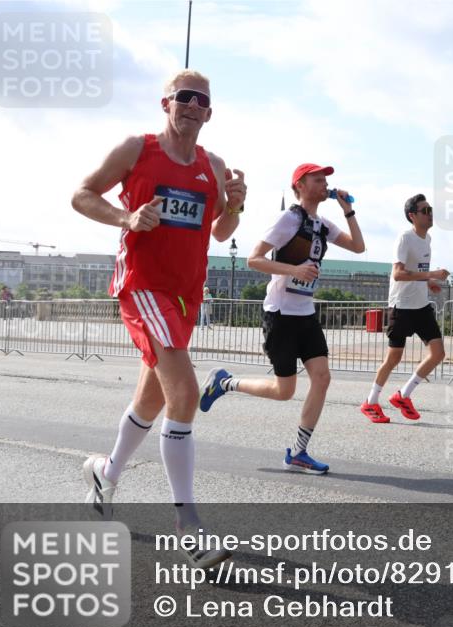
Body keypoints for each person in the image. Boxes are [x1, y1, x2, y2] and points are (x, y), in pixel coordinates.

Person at [71, 69, 246, 569]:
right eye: (183, 97)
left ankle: (105, 473)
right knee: (185, 393)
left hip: (187, 294)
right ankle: (188, 526)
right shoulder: (137, 149)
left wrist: (237, 203)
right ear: (166, 103)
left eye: (202, 101)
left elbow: (221, 230)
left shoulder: (213, 164)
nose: (192, 105)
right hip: (142, 286)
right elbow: (82, 194)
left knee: (152, 396)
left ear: (209, 113)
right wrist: (126, 218)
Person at [199, 163, 365, 474]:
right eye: (318, 179)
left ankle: (299, 452)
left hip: (306, 313)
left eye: (326, 179)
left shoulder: (323, 224)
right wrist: (294, 270)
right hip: (280, 315)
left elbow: (358, 247)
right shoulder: (288, 219)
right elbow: (254, 259)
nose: (325, 183)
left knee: (323, 377)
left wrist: (349, 212)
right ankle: (225, 382)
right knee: (284, 391)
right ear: (300, 185)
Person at [360, 193, 448, 423]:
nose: (430, 215)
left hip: (421, 306)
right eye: (425, 211)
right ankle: (370, 402)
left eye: (431, 210)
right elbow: (398, 273)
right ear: (413, 216)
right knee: (393, 358)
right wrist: (430, 274)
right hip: (402, 306)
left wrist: (428, 282)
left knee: (438, 353)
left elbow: (414, 269)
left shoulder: (427, 239)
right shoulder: (404, 238)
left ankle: (403, 395)